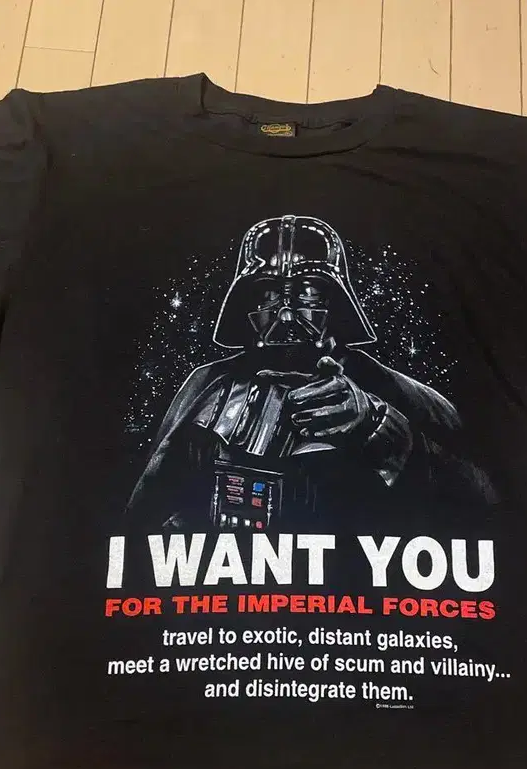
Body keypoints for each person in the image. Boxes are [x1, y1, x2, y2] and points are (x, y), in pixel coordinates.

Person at [126, 215, 494, 534]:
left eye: (307, 292)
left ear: (336, 303)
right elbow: (146, 510)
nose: (286, 315)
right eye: (267, 294)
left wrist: (380, 428)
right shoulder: (207, 385)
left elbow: (478, 501)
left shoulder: (390, 389)